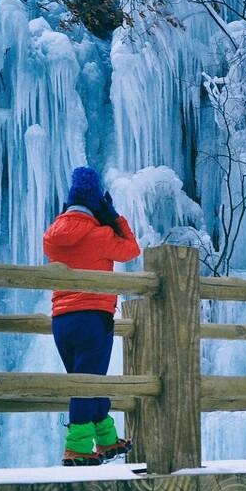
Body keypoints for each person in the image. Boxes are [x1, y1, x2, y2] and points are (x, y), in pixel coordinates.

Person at [43, 166, 142, 466]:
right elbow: (132, 250)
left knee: (88, 381)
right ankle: (77, 447)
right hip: (93, 317)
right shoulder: (100, 235)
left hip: (61, 320)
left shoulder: (51, 235)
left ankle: (108, 441)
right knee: (86, 384)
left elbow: (67, 237)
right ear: (95, 202)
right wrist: (113, 217)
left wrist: (69, 216)